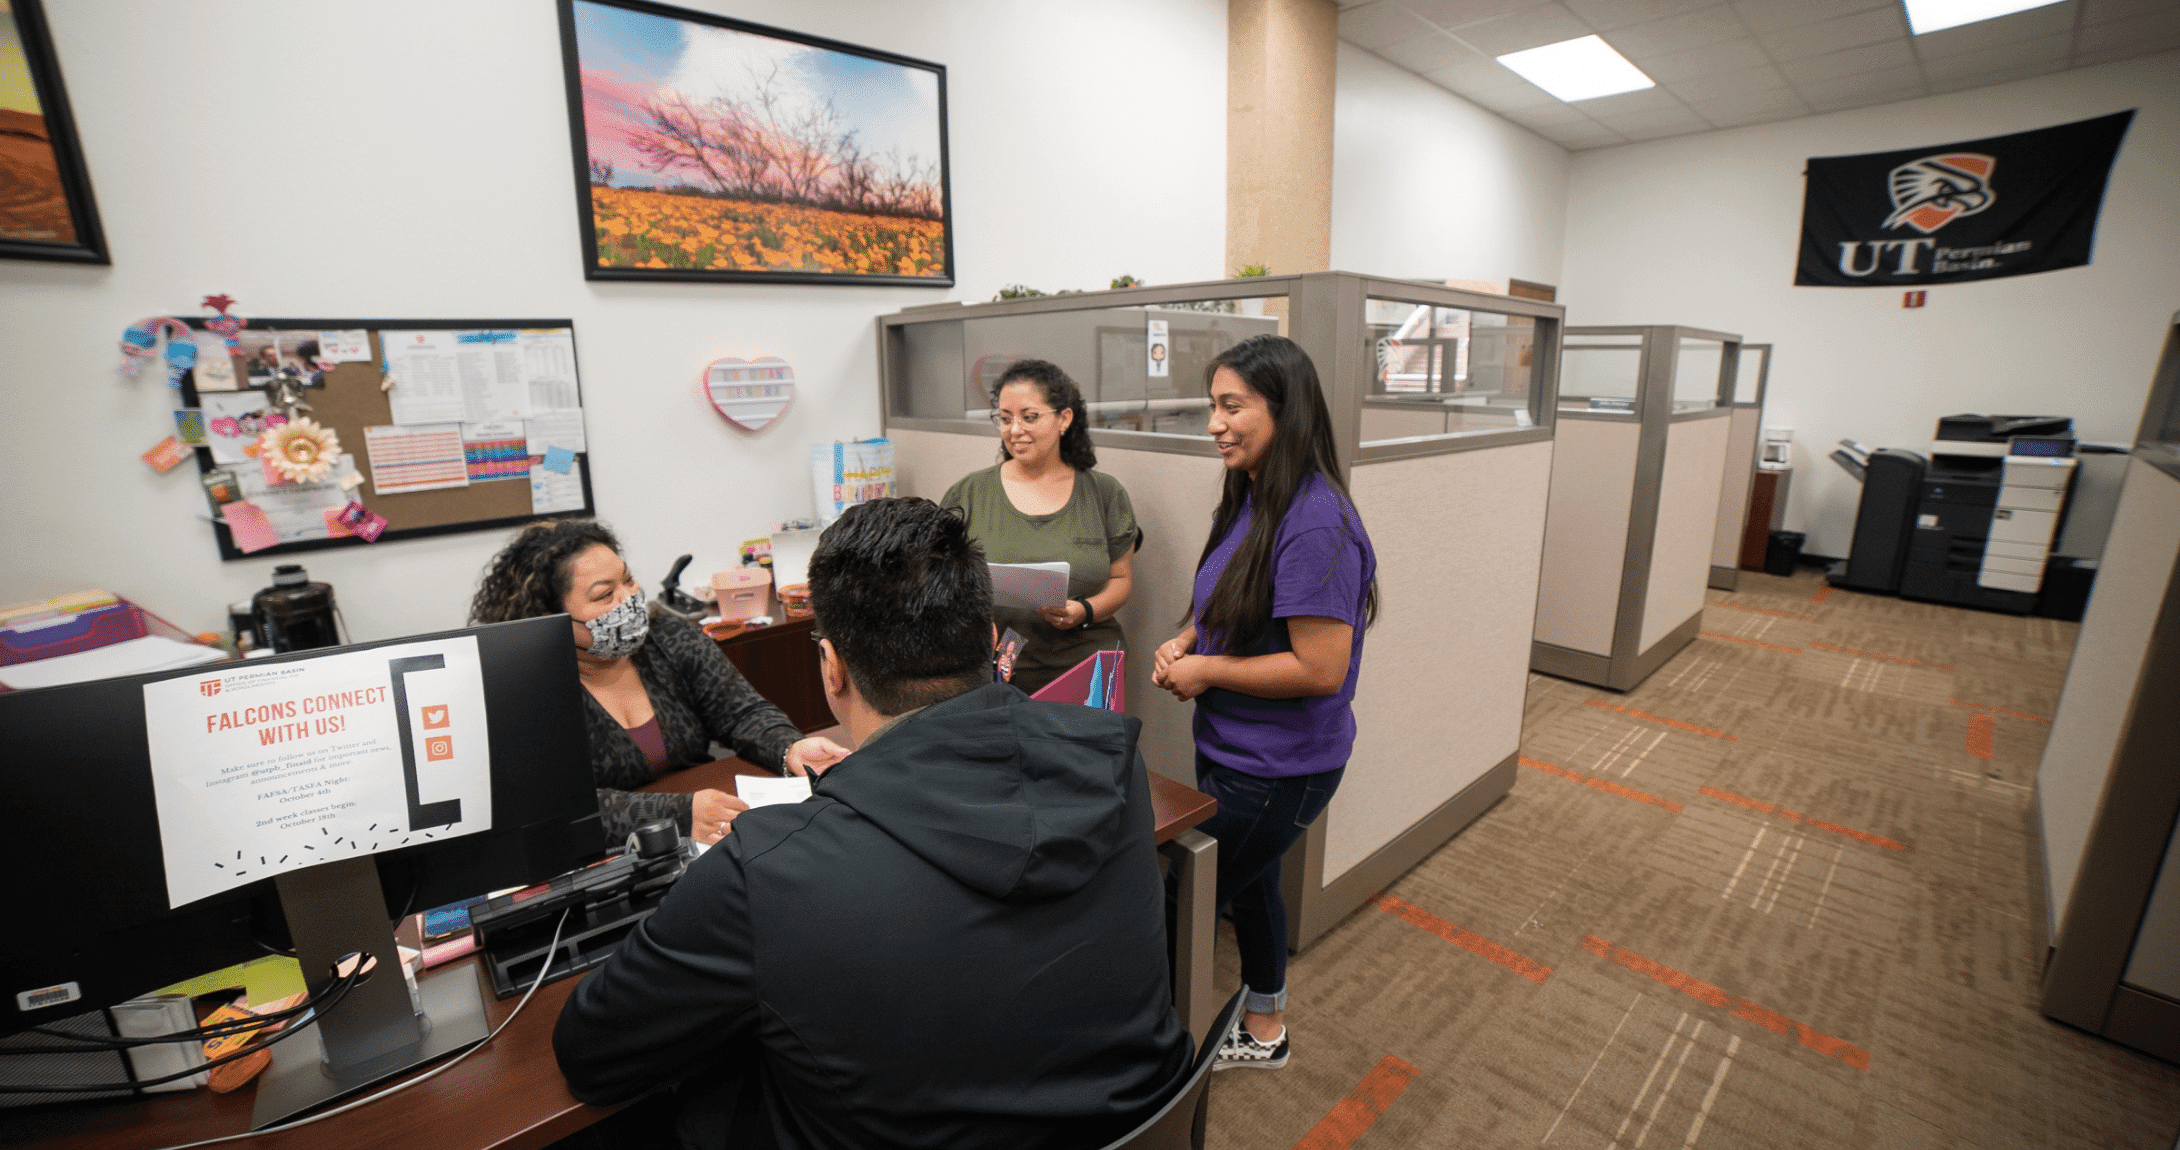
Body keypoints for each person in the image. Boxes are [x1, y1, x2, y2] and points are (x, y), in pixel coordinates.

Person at [553, 497, 1192, 1149]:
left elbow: (590, 1052)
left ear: (831, 669)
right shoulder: (1114, 762)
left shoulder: (767, 872)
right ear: (996, 644)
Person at [1151, 334, 1378, 1074]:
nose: (1214, 423)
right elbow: (1229, 602)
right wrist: (1188, 640)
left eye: (1231, 406)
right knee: (1246, 883)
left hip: (1279, 765)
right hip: (1233, 747)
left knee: (1180, 903)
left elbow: (1319, 667)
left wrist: (1208, 669)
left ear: (1286, 411)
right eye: (1211, 406)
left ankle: (1159, 1060)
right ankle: (1267, 1026)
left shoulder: (1316, 522)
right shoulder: (1253, 495)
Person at [469, 518, 847, 846]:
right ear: (547, 618)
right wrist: (679, 812)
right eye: (604, 595)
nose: (629, 598)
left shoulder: (667, 638)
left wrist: (789, 748)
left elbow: (741, 712)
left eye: (629, 579)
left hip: (709, 830)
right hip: (614, 856)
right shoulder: (528, 689)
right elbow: (555, 806)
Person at [942, 359, 1138, 695]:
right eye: (1004, 419)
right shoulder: (969, 494)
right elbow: (942, 579)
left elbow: (1121, 580)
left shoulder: (1104, 493)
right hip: (1002, 670)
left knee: (1085, 748)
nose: (1014, 430)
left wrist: (1084, 611)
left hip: (1088, 666)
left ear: (1064, 418)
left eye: (1029, 417)